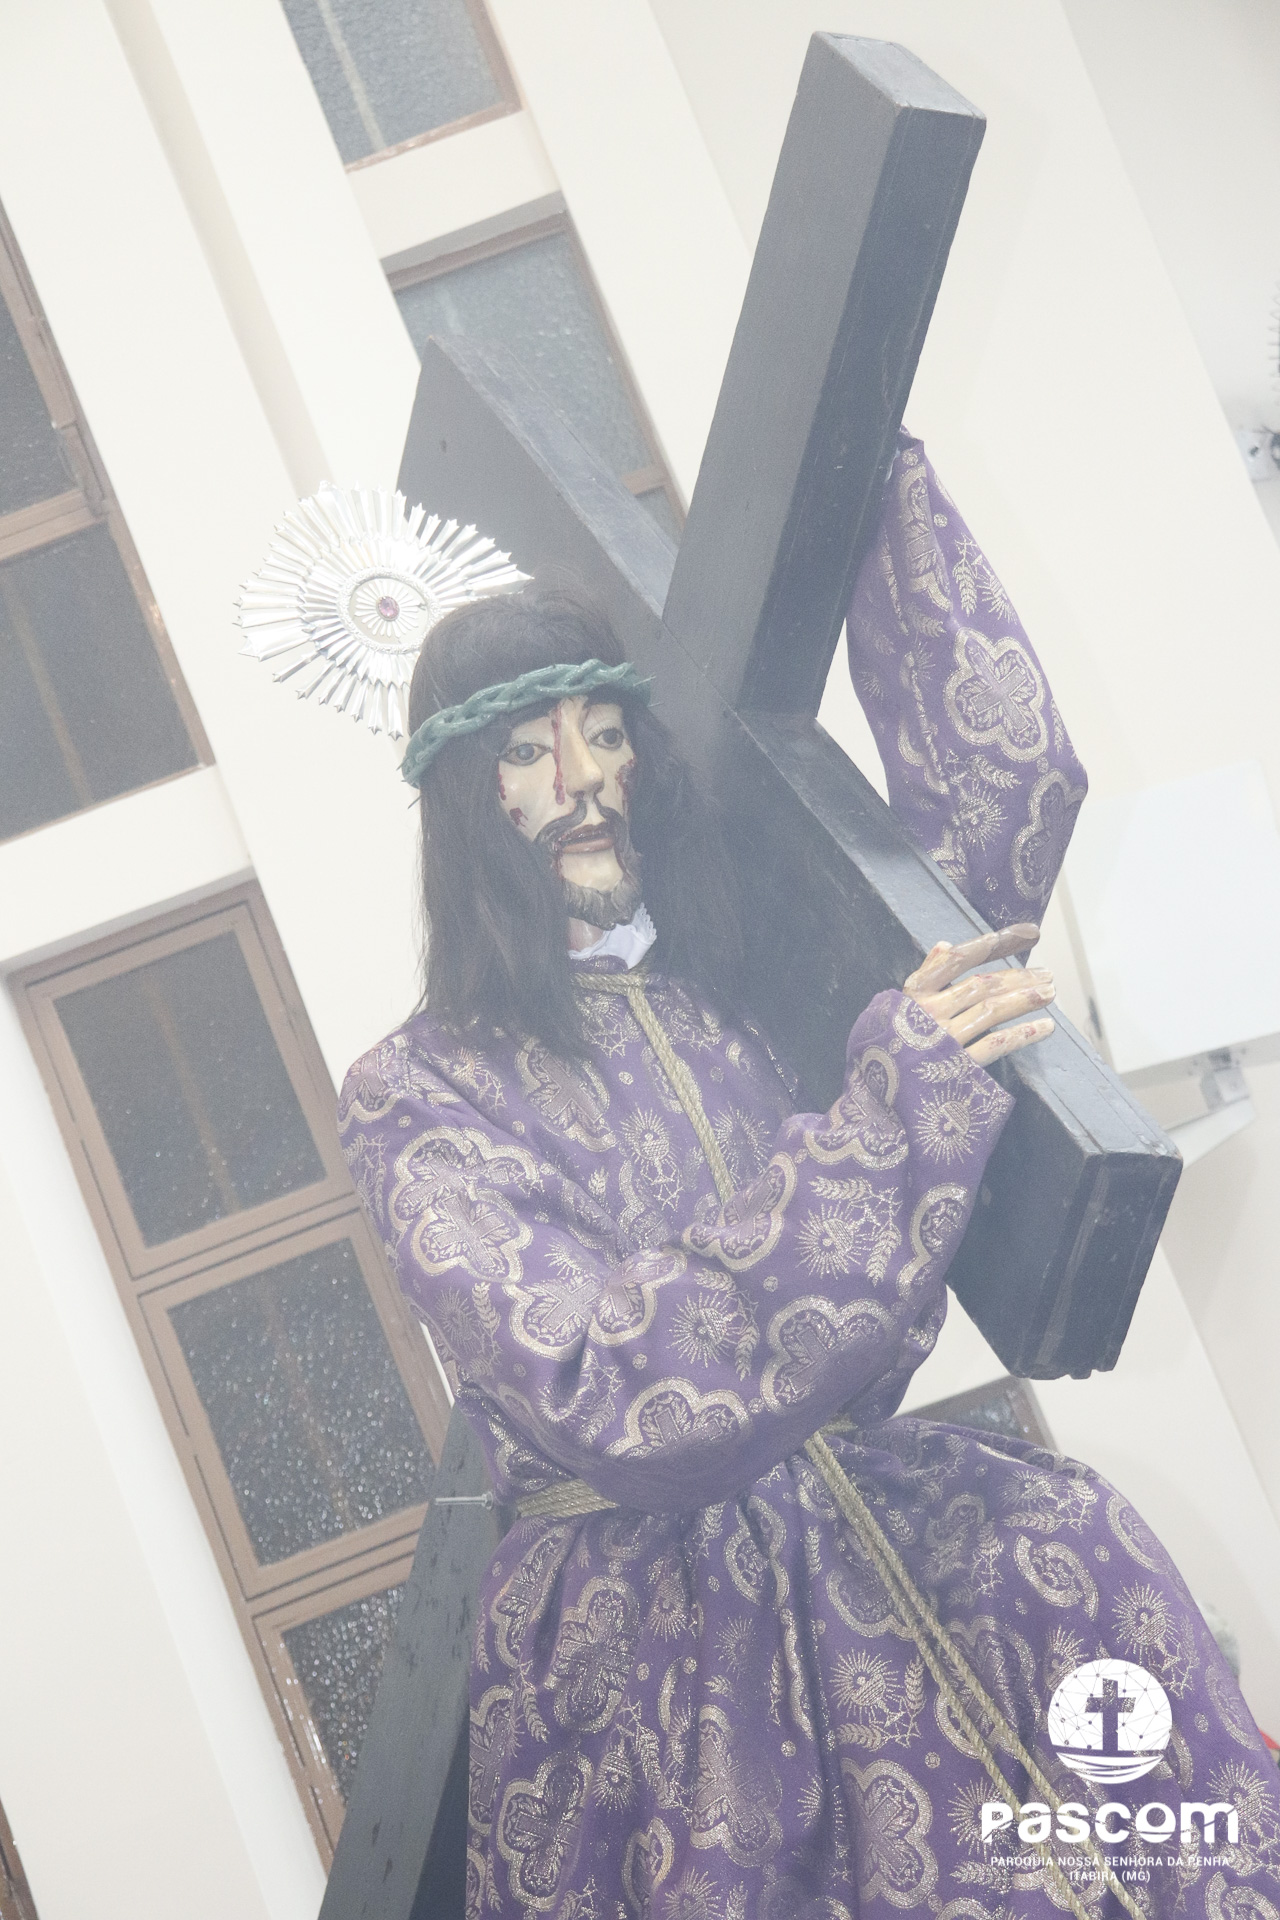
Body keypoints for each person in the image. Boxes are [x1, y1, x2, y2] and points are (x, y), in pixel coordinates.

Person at [340, 438, 1280, 1920]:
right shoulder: (422, 1091)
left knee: (1073, 1553)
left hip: (897, 1518)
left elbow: (1004, 806)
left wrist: (859, 470)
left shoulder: (751, 978)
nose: (582, 783)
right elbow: (609, 1386)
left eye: (606, 734)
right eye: (527, 753)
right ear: (462, 800)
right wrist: (891, 1108)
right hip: (661, 1639)